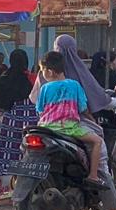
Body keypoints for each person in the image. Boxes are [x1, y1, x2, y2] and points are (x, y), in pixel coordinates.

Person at [36, 51, 107, 190]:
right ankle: (93, 175)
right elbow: (82, 108)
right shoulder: (74, 85)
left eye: (42, 70)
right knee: (97, 141)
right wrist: (91, 118)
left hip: (45, 128)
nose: (42, 73)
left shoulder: (44, 88)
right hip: (70, 128)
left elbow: (40, 110)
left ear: (49, 72)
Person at [0, 49, 38, 177]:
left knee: (10, 155)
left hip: (10, 122)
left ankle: (13, 185)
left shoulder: (3, 79)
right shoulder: (32, 78)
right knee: (29, 154)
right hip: (31, 123)